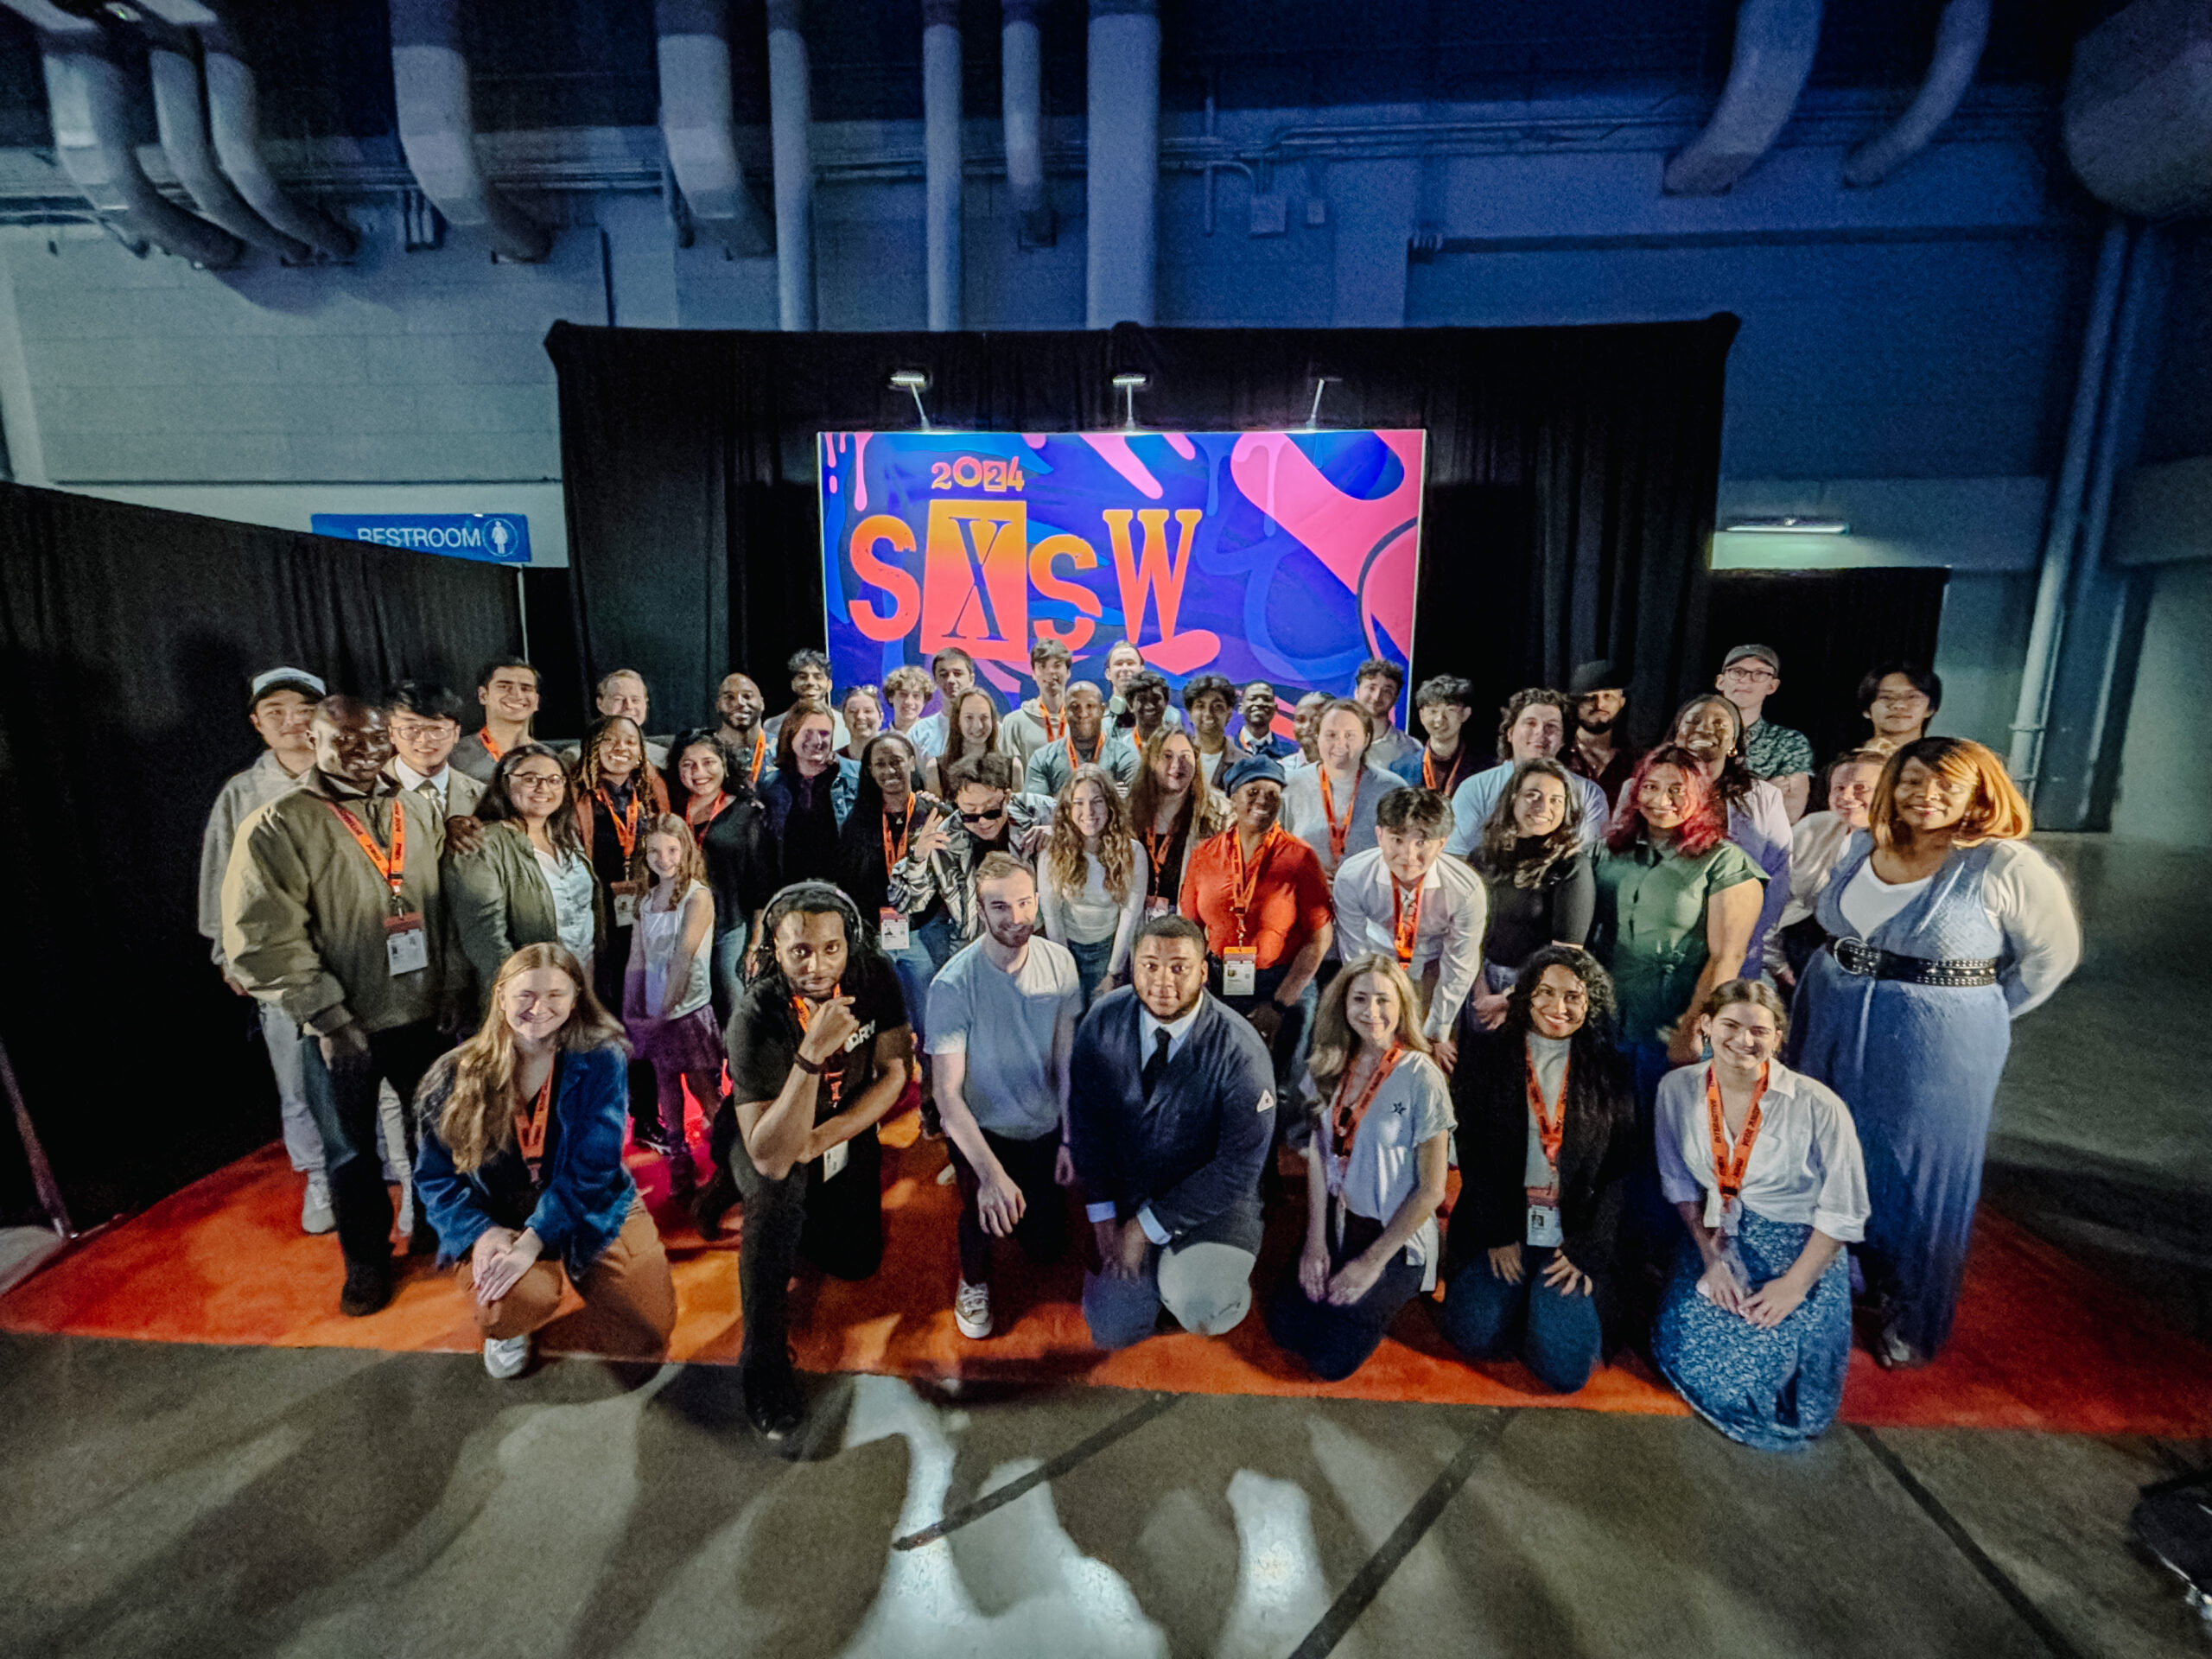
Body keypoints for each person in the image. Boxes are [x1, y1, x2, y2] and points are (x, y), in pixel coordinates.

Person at [1789, 737, 2080, 1367]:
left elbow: (2051, 959)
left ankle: (1913, 1315)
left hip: (1939, 1038)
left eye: (1948, 784)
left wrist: (1974, 1015)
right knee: (1828, 1149)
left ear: (1981, 792)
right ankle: (1843, 1275)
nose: (1928, 796)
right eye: (1913, 781)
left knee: (1921, 1173)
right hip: (1831, 1012)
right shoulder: (1865, 843)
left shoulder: (2002, 864)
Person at [222, 695, 451, 1316]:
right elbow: (264, 936)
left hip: (424, 1012)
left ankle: (434, 1230)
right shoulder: (278, 824)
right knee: (350, 1151)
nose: (363, 752)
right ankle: (368, 1263)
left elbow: (440, 905)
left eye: (376, 739)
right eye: (345, 740)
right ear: (314, 738)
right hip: (341, 1024)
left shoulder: (415, 808)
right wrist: (327, 1016)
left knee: (437, 1134)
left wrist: (451, 989)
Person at [414, 943, 677, 1379]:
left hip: (587, 1204)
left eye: (556, 995)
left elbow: (595, 1167)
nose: (540, 1008)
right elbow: (435, 1179)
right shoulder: (453, 1075)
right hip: (499, 1216)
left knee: (650, 1329)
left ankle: (573, 1263)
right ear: (500, 997)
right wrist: (481, 1235)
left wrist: (536, 1239)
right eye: (525, 995)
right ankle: (512, 1325)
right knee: (511, 1304)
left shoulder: (601, 1058)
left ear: (576, 998)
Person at [723, 883, 914, 1440]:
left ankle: (753, 1200)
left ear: (849, 944)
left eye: (831, 948)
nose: (817, 964)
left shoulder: (875, 976)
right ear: (775, 953)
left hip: (837, 1129)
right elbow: (771, 1152)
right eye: (799, 951)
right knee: (775, 1194)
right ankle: (761, 1361)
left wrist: (826, 1137)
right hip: (769, 1133)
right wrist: (810, 1053)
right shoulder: (756, 1010)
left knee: (856, 1260)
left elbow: (895, 1074)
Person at [1654, 980, 1869, 1451]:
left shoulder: (1818, 1105)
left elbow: (1844, 1212)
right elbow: (1679, 1183)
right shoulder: (1676, 1089)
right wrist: (1712, 1259)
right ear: (1707, 1027)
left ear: (1778, 1037)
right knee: (1687, 1350)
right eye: (1730, 1025)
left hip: (1801, 1247)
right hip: (1720, 1234)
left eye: (1759, 1030)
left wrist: (1794, 1287)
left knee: (1760, 1389)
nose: (1743, 1040)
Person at [1068, 915, 1277, 1351]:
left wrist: (1141, 1229)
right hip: (1129, 1189)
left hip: (1212, 1203)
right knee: (1111, 1328)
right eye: (1150, 965)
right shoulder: (1102, 1020)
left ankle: (1202, 1281)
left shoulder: (1241, 1050)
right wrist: (1105, 1218)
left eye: (1179, 967)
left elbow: (1239, 1168)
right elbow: (1086, 1123)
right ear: (1132, 966)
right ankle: (1161, 1281)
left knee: (1203, 1305)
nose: (1163, 981)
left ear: (1204, 971)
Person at [1435, 948, 1637, 1394]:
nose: (1557, 1007)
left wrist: (1588, 1249)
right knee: (1473, 1334)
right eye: (1545, 992)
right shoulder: (1487, 1057)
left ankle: (1538, 1306)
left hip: (1573, 1233)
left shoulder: (1613, 1069)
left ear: (1593, 1003)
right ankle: (1521, 1299)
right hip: (1505, 1224)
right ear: (1525, 996)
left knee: (1564, 1372)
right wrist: (1497, 1234)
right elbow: (1472, 1154)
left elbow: (1618, 1170)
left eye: (1573, 997)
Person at [1265, 955, 1452, 1381]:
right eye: (1360, 999)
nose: (1372, 1013)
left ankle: (1391, 1291)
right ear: (1342, 1005)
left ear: (1402, 1006)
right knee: (1286, 1330)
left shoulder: (1422, 1076)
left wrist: (1370, 1264)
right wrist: (1315, 1242)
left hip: (1392, 1235)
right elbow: (1319, 1150)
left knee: (1329, 1361)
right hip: (1338, 1219)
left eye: (1384, 1001)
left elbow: (1432, 1191)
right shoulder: (1331, 1060)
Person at [926, 854, 1083, 1340]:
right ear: (980, 908)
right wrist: (991, 1174)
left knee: (1046, 1246)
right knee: (984, 1215)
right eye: (999, 907)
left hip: (1040, 1124)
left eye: (1023, 903)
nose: (1015, 918)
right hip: (983, 1127)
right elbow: (946, 1094)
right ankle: (972, 1279)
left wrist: (1068, 1140)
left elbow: (1066, 1060)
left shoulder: (1060, 962)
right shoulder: (953, 984)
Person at [199, 666, 330, 1233]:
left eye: (303, 710)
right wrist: (227, 953)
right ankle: (320, 1176)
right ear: (257, 722)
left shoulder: (353, 776)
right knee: (297, 1074)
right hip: (281, 960)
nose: (291, 722)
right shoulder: (242, 794)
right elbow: (219, 878)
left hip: (357, 951)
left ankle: (382, 1160)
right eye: (275, 712)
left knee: (368, 1066)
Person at [1590, 745, 1764, 1109]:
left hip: (1670, 1023)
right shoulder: (1607, 851)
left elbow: (1727, 957)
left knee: (1662, 1134)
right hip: (1604, 1016)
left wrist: (1692, 1029)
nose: (1660, 799)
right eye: (1650, 787)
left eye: (1676, 790)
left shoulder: (1725, 861)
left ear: (1700, 796)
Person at [1179, 754, 1334, 1089]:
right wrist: (1199, 986)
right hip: (1219, 983)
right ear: (1232, 798)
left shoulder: (1299, 857)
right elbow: (1190, 928)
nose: (1263, 799)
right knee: (1218, 1078)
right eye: (1252, 791)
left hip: (1283, 984)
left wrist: (1279, 1003)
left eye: (1272, 793)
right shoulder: (1204, 854)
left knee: (1278, 1086)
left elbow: (1319, 939)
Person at [841, 730, 957, 1116]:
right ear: (869, 772)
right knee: (885, 1026)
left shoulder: (933, 815)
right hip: (877, 940)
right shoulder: (857, 822)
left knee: (928, 1026)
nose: (890, 770)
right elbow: (849, 888)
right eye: (880, 764)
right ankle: (886, 1098)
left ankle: (931, 1102)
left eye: (896, 760)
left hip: (925, 935)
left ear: (911, 761)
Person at [1330, 787, 1486, 1065]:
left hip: (1433, 967)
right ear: (1380, 835)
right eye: (1397, 839)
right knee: (1370, 1055)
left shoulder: (1465, 889)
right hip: (1376, 960)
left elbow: (1460, 964)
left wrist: (1437, 1031)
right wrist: (1371, 1011)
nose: (1408, 854)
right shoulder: (1353, 876)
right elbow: (1355, 953)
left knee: (1429, 1060)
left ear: (1442, 843)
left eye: (1421, 842)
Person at [445, 743, 601, 1018]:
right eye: (530, 779)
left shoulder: (566, 837)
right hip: (528, 1003)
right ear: (504, 784)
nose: (544, 788)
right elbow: (485, 937)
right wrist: (530, 996)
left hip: (581, 985)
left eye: (554, 780)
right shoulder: (481, 844)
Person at [573, 715, 671, 1149]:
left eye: (630, 740)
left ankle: (646, 1116)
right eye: (609, 740)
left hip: (646, 926)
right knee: (604, 1024)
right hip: (597, 929)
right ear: (592, 748)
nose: (620, 748)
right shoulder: (575, 797)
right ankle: (601, 1120)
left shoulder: (651, 793)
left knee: (645, 1022)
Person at [623, 817, 721, 1196]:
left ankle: (732, 1151)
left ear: (686, 852)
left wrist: (663, 1012)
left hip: (686, 1010)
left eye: (671, 850)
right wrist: (632, 1011)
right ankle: (678, 1152)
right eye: (654, 852)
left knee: (701, 1083)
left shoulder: (697, 896)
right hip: (655, 1011)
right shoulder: (646, 900)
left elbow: (683, 957)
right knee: (665, 1082)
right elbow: (637, 957)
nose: (663, 859)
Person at [1669, 694, 1793, 980]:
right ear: (1676, 736)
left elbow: (1778, 874)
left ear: (1734, 744)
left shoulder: (1764, 798)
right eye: (1694, 720)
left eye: (1719, 722)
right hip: (1660, 948)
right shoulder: (1643, 790)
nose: (1704, 728)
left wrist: (1745, 934)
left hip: (1737, 949)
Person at [1466, 759, 1595, 1029]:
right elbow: (1468, 932)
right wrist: (1480, 991)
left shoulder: (1572, 865)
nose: (1543, 807)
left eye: (1555, 800)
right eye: (1532, 795)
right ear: (1513, 799)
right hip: (1477, 984)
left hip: (1537, 993)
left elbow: (1565, 954)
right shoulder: (1483, 857)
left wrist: (1507, 999)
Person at [665, 728, 777, 1024]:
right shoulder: (670, 811)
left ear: (724, 764)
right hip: (676, 928)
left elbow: (762, 884)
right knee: (686, 1013)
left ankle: (737, 1070)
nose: (699, 772)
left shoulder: (747, 812)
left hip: (729, 927)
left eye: (708, 762)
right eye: (688, 764)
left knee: (734, 1008)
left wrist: (756, 942)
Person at [892, 752, 1055, 947]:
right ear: (957, 804)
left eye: (991, 810)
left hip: (1035, 937)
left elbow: (1091, 824)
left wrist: (1059, 833)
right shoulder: (943, 837)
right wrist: (917, 859)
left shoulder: (1038, 811)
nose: (983, 821)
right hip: (973, 944)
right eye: (970, 813)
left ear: (1008, 797)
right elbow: (904, 903)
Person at [1767, 749, 1887, 987]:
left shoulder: (1904, 847)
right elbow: (1771, 898)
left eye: (1861, 788)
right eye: (1839, 789)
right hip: (1788, 950)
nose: (1847, 797)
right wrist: (1776, 965)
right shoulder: (1815, 825)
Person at [1443, 688, 1610, 858]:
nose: (1540, 732)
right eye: (1530, 723)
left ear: (1562, 741)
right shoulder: (1475, 789)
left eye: (1551, 726)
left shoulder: (1589, 794)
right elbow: (1456, 858)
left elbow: (1590, 860)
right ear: (1510, 733)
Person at [1039, 766, 1148, 1009]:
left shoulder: (1133, 852)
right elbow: (1051, 915)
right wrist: (1064, 971)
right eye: (1078, 802)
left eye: (1096, 801)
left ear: (1110, 805)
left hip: (1110, 951)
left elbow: (1130, 915)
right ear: (1067, 809)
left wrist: (1113, 973)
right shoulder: (1051, 854)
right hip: (1066, 948)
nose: (1088, 811)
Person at [1281, 698, 1401, 883]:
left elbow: (1403, 852)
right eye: (1331, 735)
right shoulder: (1289, 786)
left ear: (1367, 739)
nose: (1340, 743)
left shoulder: (1392, 789)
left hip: (1370, 899)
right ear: (1317, 736)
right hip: (1305, 898)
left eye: (1350, 735)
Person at [1128, 728, 1231, 922]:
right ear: (1151, 762)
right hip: (1135, 924)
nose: (1177, 765)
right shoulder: (1128, 811)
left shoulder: (1220, 814)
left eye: (1186, 756)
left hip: (1191, 926)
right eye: (1167, 756)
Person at [757, 699, 860, 886]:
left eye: (824, 733)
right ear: (791, 734)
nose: (817, 741)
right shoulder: (771, 787)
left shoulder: (857, 778)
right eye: (808, 733)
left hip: (844, 894)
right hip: (789, 895)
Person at [1716, 644, 1815, 821]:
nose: (1745, 680)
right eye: (1737, 671)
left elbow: (1789, 812)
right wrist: (1761, 792)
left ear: (1772, 686)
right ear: (1720, 681)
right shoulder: (1698, 733)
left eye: (1759, 673)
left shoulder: (1789, 743)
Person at [385, 680, 483, 818]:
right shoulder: (369, 791)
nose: (424, 740)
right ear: (391, 734)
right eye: (410, 728)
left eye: (436, 728)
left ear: (456, 733)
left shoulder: (482, 797)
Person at [1024, 680, 1138, 794]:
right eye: (1075, 707)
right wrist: (1105, 794)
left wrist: (1058, 799)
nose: (1083, 714)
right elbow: (1036, 808)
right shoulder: (1042, 759)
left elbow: (1132, 806)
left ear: (1102, 711)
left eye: (1090, 706)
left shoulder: (1124, 757)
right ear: (1065, 712)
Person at [450, 658, 540, 785]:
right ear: (483, 695)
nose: (517, 695)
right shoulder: (454, 758)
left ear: (536, 701)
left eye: (526, 688)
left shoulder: (548, 758)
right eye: (504, 686)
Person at [1562, 660, 1635, 811]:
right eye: (1590, 698)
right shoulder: (1558, 756)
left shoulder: (1636, 761)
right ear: (1575, 703)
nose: (1600, 705)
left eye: (1608, 696)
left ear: (1621, 702)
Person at [1395, 674, 1481, 800]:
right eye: (1433, 711)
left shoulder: (1485, 768)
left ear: (1465, 714)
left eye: (1450, 710)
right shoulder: (1400, 769)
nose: (1440, 719)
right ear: (1422, 716)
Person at [1000, 639, 1075, 772]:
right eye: (1042, 666)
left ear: (1068, 672)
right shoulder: (1015, 722)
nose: (1051, 671)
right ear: (1033, 673)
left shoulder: (1082, 720)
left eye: (1057, 665)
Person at [924, 685, 1003, 798]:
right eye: (969, 718)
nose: (978, 726)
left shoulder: (1013, 767)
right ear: (957, 721)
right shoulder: (935, 768)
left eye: (984, 717)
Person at [762, 650, 852, 750]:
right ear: (793, 684)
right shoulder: (772, 726)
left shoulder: (847, 724)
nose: (810, 682)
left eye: (818, 677)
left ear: (829, 685)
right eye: (803, 677)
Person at [585, 670, 671, 771]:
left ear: (646, 704)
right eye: (619, 699)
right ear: (600, 703)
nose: (629, 706)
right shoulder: (575, 757)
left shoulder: (665, 758)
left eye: (635, 700)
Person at [1352, 658, 1421, 775]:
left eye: (1387, 691)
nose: (1377, 697)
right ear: (1357, 692)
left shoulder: (1410, 748)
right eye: (1371, 688)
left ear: (1396, 698)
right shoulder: (1333, 740)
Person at [908, 646, 978, 760]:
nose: (950, 680)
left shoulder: (991, 730)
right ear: (935, 680)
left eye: (957, 674)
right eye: (944, 675)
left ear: (971, 679)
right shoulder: (919, 732)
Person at [1857, 662, 1942, 750]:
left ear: (1930, 709)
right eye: (1886, 697)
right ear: (1866, 710)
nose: (1899, 705)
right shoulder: (1848, 761)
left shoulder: (1941, 760)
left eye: (1912, 697)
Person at [713, 671, 772, 791]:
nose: (739, 702)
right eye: (729, 697)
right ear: (718, 705)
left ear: (762, 703)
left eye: (747, 696)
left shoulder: (784, 747)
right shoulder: (705, 750)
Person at [1103, 641, 1180, 733]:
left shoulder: (1170, 715)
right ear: (1108, 674)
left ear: (1142, 670)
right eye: (1119, 664)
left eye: (1130, 663)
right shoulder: (1098, 717)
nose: (1125, 669)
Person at [1179, 672, 1238, 790]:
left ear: (1229, 714)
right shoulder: (1174, 758)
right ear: (1190, 713)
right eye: (1200, 706)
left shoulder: (1243, 763)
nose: (1208, 714)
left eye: (1217, 707)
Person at [1234, 681, 1298, 760]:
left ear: (1275, 709)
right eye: (1253, 699)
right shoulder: (1225, 750)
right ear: (1241, 708)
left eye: (1267, 699)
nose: (1260, 703)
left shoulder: (1289, 754)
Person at [1117, 668, 1174, 750]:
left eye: (1156, 699)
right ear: (1130, 705)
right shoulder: (1120, 749)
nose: (1150, 706)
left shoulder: (1179, 744)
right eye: (1142, 699)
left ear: (1166, 702)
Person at [882, 664, 936, 747]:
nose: (909, 702)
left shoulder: (935, 739)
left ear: (924, 700)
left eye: (916, 695)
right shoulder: (878, 740)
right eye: (903, 694)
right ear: (891, 697)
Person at [836, 683, 886, 763]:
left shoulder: (895, 757)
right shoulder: (834, 763)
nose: (860, 716)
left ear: (881, 717)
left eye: (868, 711)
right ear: (844, 719)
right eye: (852, 711)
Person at [1287, 690, 1331, 770]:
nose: (1307, 726)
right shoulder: (1281, 770)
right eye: (1300, 720)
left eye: (1316, 721)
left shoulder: (1352, 767)